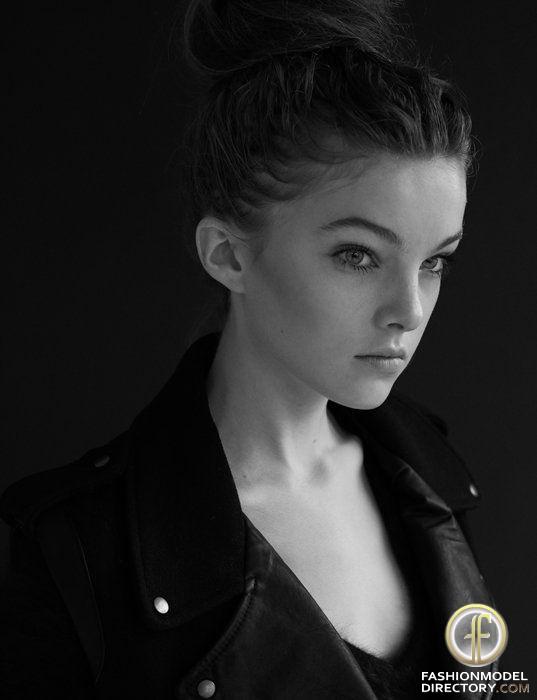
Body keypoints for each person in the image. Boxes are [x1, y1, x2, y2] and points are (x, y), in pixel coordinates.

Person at [0, 0, 500, 698]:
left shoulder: (431, 472)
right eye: (357, 255)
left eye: (434, 262)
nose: (408, 311)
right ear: (229, 255)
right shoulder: (73, 547)